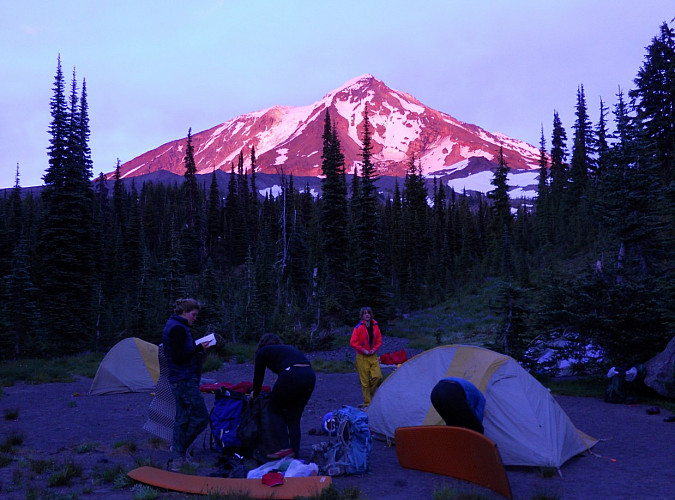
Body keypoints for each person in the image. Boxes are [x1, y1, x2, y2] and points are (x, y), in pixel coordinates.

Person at [162, 298, 212, 471]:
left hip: (179, 378)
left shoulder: (176, 325)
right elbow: (178, 356)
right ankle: (179, 451)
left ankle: (178, 459)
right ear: (184, 312)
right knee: (200, 417)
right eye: (193, 314)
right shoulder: (177, 328)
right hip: (183, 379)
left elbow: (179, 353)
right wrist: (198, 348)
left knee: (182, 418)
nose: (195, 318)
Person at [251, 333, 316, 459]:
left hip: (292, 374)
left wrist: (255, 394)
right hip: (309, 375)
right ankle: (294, 454)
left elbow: (258, 377)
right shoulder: (285, 350)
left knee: (274, 409)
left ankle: (284, 448)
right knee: (293, 417)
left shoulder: (262, 352)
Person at [350, 306, 382, 408]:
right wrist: (363, 350)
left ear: (371, 314)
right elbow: (353, 342)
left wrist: (374, 349)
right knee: (364, 381)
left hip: (372, 355)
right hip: (362, 356)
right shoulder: (358, 327)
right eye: (365, 313)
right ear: (362, 316)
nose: (367, 315)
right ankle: (367, 403)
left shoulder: (375, 325)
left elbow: (379, 340)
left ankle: (371, 395)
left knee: (377, 376)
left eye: (368, 313)